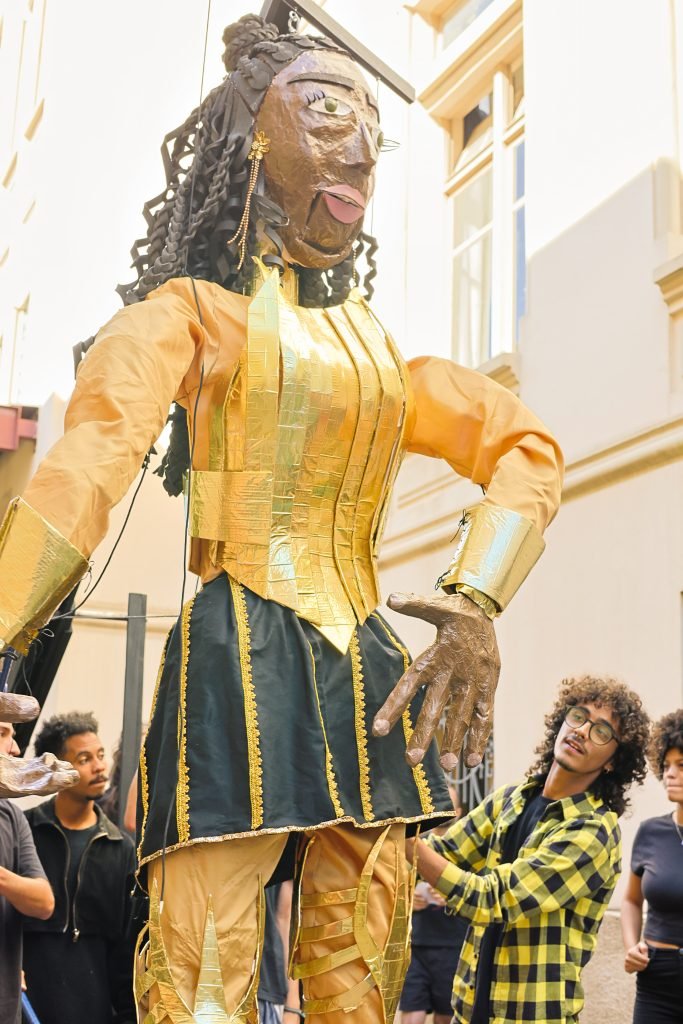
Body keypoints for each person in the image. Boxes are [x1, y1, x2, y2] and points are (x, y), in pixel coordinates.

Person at [0, 13, 563, 1023]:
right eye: (324, 112)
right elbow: (82, 469)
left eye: (370, 130)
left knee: (363, 953)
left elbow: (527, 449)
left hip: (366, 669)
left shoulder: (387, 362)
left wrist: (475, 597)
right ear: (248, 140)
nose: (357, 147)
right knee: (202, 963)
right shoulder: (181, 318)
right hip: (236, 654)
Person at [407, 676, 651, 1024]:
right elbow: (443, 852)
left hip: (531, 1016)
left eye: (601, 732)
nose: (582, 731)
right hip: (470, 1009)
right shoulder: (513, 799)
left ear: (613, 760)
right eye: (579, 716)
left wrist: (407, 843)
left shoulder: (593, 831)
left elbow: (492, 899)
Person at [22, 712, 136, 1024]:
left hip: (95, 1010)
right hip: (27, 1008)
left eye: (100, 756)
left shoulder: (120, 847)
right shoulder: (26, 833)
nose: (99, 766)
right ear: (56, 767)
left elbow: (125, 951)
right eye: (84, 758)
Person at [621, 708, 683, 1023]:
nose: (670, 773)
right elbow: (632, 900)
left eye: (681, 765)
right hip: (655, 980)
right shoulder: (650, 832)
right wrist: (632, 947)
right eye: (667, 765)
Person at [0, 719, 54, 1024]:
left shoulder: (12, 816)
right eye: (2, 733)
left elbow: (44, 902)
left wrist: (3, 878)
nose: (16, 748)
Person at [400, 786, 468, 1024]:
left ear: (458, 811)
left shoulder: (467, 848)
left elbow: (480, 891)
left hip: (453, 948)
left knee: (446, 1017)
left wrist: (452, 897)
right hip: (416, 946)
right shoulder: (417, 846)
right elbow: (394, 889)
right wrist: (410, 901)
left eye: (448, 804)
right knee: (411, 1015)